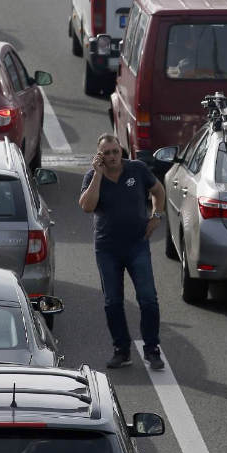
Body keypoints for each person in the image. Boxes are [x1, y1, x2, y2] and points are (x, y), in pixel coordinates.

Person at [79, 133, 167, 369]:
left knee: (148, 299)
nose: (112, 156)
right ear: (100, 156)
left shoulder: (137, 170)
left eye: (115, 151)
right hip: (107, 248)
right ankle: (122, 350)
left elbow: (158, 191)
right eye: (106, 153)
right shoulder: (92, 176)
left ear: (121, 151)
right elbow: (87, 206)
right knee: (113, 301)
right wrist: (98, 174)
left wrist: (156, 216)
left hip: (137, 244)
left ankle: (152, 349)